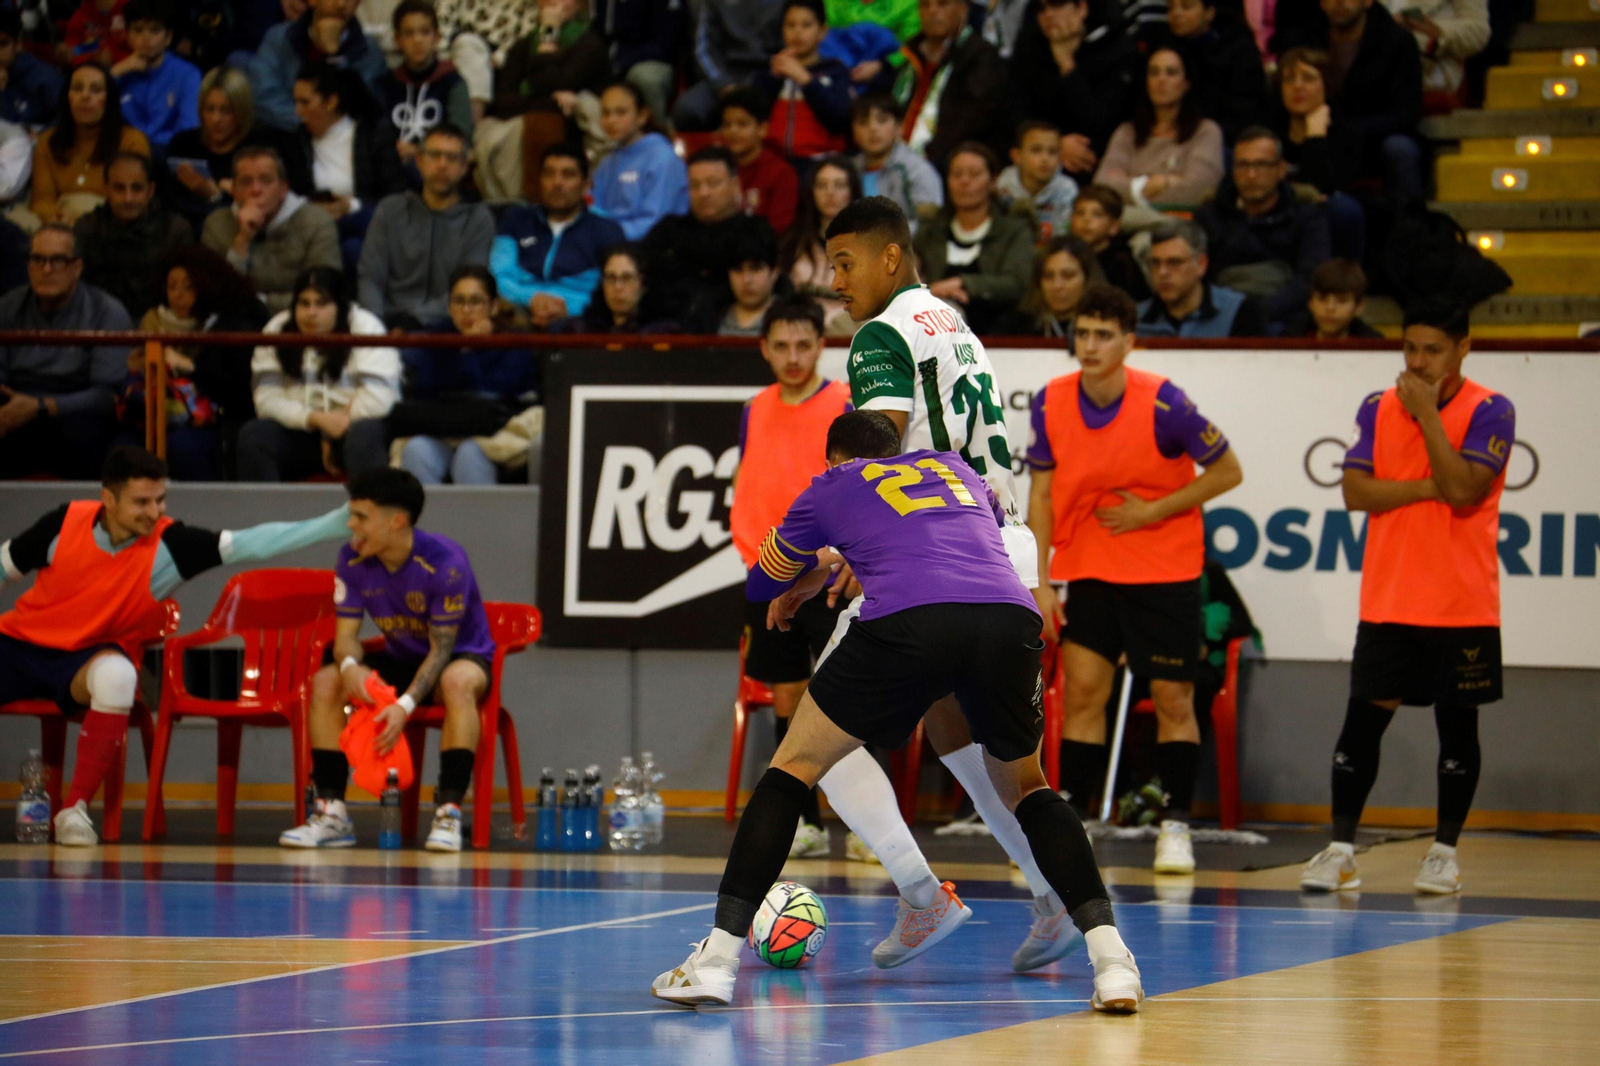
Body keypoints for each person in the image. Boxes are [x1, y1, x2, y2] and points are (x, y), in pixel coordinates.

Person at [650, 410, 1143, 1011]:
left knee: (792, 769)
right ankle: (1113, 960)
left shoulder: (832, 484)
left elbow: (763, 581)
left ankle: (717, 960)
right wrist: (842, 557)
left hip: (910, 620)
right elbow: (958, 534)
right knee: (1030, 789)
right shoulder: (955, 467)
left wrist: (812, 565)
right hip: (1008, 617)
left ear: (835, 457)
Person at [818, 196, 1083, 976]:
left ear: (890, 258)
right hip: (1000, 545)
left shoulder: (878, 335)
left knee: (819, 737)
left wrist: (842, 547)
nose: (835, 282)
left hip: (933, 548)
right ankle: (1052, 894)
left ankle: (919, 889)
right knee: (966, 735)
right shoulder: (950, 322)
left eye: (844, 262)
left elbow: (878, 448)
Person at [0, 445, 351, 845]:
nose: (154, 511)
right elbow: (3, 565)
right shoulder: (65, 521)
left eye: (160, 499)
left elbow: (254, 543)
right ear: (109, 499)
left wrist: (338, 522)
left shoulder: (172, 545)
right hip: (17, 645)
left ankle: (74, 809)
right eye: (141, 502)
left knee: (118, 676)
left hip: (85, 660)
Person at [1026, 284, 1244, 871]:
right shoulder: (1049, 401)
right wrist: (1040, 579)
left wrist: (1153, 510)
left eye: (1102, 334)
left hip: (1165, 569)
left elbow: (1228, 470)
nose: (1089, 345)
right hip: (1090, 569)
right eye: (1082, 332)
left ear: (1129, 342)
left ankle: (1175, 825)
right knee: (1084, 698)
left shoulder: (1164, 403)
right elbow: (1041, 493)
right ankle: (1073, 827)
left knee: (1174, 698)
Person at [1301, 299, 1513, 896]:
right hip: (1389, 598)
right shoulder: (1376, 406)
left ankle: (1443, 853)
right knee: (1361, 724)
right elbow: (1355, 492)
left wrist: (1427, 418)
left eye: (1433, 351)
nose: (1418, 363)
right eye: (1411, 348)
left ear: (1463, 348)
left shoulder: (1491, 410)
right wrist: (1426, 486)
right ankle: (1341, 849)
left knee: (1458, 727)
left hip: (1462, 601)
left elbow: (1466, 491)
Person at [280, 467, 495, 852]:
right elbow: (346, 637)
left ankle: (448, 812)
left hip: (459, 658)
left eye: (361, 517)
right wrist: (350, 667)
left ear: (396, 521)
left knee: (456, 681)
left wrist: (403, 705)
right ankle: (332, 814)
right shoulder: (352, 558)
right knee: (327, 681)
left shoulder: (446, 563)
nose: (350, 525)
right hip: (400, 658)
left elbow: (441, 651)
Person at [727, 295, 853, 857]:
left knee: (851, 697)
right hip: (770, 571)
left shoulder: (848, 403)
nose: (793, 356)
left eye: (804, 344)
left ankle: (867, 831)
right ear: (763, 349)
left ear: (821, 345)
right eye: (781, 345)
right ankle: (806, 824)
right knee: (787, 696)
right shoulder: (753, 407)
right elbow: (748, 481)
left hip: (831, 575)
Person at [118, 245, 269, 481]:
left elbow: (241, 394)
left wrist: (190, 366)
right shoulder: (154, 320)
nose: (177, 295)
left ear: (209, 285)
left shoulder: (238, 322)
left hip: (219, 420)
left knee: (180, 448)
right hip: (165, 411)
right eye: (171, 286)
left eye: (189, 287)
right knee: (122, 446)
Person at [237, 266, 400, 482]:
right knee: (254, 436)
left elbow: (381, 399)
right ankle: (265, 515)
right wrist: (316, 420)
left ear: (339, 306)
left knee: (364, 436)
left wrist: (335, 428)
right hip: (301, 429)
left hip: (352, 429)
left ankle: (372, 514)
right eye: (304, 303)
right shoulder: (277, 329)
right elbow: (266, 400)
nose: (311, 313)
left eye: (321, 304)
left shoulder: (366, 327)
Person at [1, 222, 129, 479]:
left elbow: (107, 396)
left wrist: (40, 406)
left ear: (77, 267)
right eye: (38, 259)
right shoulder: (7, 307)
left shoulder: (107, 311)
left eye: (57, 260)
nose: (46, 270)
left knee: (84, 430)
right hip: (15, 401)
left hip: (75, 409)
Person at [397, 266, 538, 485]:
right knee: (416, 450)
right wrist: (462, 348)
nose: (466, 310)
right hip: (447, 428)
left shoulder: (514, 342)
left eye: (475, 301)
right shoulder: (437, 338)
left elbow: (495, 395)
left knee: (470, 453)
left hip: (497, 432)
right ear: (449, 307)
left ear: (493, 307)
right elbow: (424, 390)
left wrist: (470, 350)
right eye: (458, 301)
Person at [1274, 0, 1425, 203]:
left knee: (1400, 149)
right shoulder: (1299, 38)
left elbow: (1406, 113)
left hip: (1374, 137)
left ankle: (1412, 226)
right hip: (1308, 128)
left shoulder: (1397, 40)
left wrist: (1344, 130)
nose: (1339, 1)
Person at [357, 124, 494, 330]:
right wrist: (374, 327)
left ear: (464, 167)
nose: (442, 164)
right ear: (419, 161)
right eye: (434, 155)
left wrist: (414, 322)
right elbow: (370, 278)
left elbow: (470, 287)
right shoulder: (390, 210)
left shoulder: (477, 219)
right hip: (386, 323)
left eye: (452, 158)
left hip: (447, 326)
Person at [1194, 127, 1332, 330]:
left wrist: (1256, 314)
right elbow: (1198, 276)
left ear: (1281, 169)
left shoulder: (1307, 217)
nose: (1251, 175)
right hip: (1221, 314)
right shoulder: (1209, 216)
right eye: (1242, 165)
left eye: (1261, 165)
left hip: (1283, 318)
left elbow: (1310, 279)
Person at [489, 143, 625, 330]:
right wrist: (533, 299)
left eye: (567, 175)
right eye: (549, 174)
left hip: (579, 320)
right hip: (517, 312)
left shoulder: (607, 230)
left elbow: (614, 291)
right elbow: (497, 276)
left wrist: (567, 308)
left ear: (586, 185)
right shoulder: (515, 220)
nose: (557, 183)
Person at [288, 61, 407, 273]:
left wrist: (350, 206)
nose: (298, 111)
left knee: (354, 245)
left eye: (305, 102)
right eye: (296, 102)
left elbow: (396, 200)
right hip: (314, 230)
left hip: (365, 230)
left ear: (331, 102)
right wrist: (313, 209)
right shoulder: (296, 143)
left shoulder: (374, 137)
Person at [640, 146, 778, 325]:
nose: (703, 193)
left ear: (735, 184)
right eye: (695, 185)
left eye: (713, 183)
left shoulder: (755, 231)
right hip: (663, 330)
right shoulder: (668, 230)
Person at [911, 142, 1035, 335]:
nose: (964, 181)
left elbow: (1016, 284)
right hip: (930, 328)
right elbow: (909, 276)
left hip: (999, 331)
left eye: (974, 174)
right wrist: (930, 292)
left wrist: (963, 284)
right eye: (957, 174)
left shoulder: (1014, 230)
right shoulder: (931, 229)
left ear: (993, 181)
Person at [201, 145, 341, 313]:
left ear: (283, 189)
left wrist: (259, 303)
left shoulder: (316, 222)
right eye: (246, 182)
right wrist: (242, 240)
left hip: (299, 321)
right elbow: (213, 295)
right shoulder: (216, 224)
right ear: (234, 190)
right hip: (237, 322)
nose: (256, 190)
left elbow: (324, 292)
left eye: (266, 180)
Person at [1012, 0, 1139, 183]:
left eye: (1056, 5)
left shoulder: (1118, 48)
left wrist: (1067, 66)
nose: (1048, 14)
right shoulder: (1030, 43)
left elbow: (1100, 122)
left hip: (1094, 160)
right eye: (1041, 8)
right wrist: (1054, 145)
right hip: (1039, 153)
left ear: (1082, 8)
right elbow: (1014, 108)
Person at [1093, 46, 1224, 210]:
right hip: (1127, 225)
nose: (1162, 79)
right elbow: (1101, 187)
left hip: (1182, 226)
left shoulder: (1206, 132)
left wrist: (1126, 186)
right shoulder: (1127, 132)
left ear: (1186, 83)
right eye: (1154, 72)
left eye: (1171, 72)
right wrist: (1147, 186)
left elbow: (1199, 191)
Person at [162, 67, 292, 233]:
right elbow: (169, 203)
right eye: (210, 109)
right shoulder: (182, 144)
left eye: (226, 110)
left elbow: (268, 204)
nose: (216, 119)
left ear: (241, 110)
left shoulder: (260, 148)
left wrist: (214, 196)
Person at [73, 152, 191, 320]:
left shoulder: (175, 231)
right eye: (119, 188)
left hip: (159, 326)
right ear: (106, 189)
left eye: (137, 188)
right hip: (98, 324)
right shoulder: (87, 229)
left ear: (150, 190)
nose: (128, 198)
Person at [891, 0, 1011, 168]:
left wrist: (931, 154)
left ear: (963, 9)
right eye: (925, 5)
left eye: (942, 4)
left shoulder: (981, 56)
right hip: (895, 157)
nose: (932, 12)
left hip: (948, 162)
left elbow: (973, 120)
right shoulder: (909, 54)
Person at [31, 61, 151, 226]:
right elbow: (42, 200)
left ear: (109, 99)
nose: (85, 96)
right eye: (77, 88)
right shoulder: (47, 141)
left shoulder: (132, 141)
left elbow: (131, 200)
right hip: (57, 224)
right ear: (67, 97)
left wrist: (79, 222)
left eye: (96, 90)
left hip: (109, 225)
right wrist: (57, 216)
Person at [249, 0, 389, 133]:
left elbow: (365, 109)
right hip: (287, 136)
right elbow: (263, 98)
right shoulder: (279, 38)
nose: (341, 4)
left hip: (344, 144)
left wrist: (333, 58)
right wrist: (312, 122)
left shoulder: (369, 50)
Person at [749, 0, 853, 161]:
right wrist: (773, 78)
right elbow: (754, 116)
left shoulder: (835, 71)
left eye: (806, 25)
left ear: (822, 31)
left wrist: (806, 80)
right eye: (790, 25)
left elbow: (838, 119)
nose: (797, 32)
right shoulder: (769, 73)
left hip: (822, 163)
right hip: (776, 163)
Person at [377, 0, 474, 170]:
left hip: (438, 170)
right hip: (393, 174)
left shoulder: (452, 82)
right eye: (409, 34)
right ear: (397, 40)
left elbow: (460, 136)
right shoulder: (386, 85)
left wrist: (418, 151)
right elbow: (378, 136)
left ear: (437, 37)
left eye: (425, 32)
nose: (418, 40)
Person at [1162, 0, 1272, 145]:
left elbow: (1244, 113)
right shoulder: (1162, 52)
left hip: (1224, 141)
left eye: (1186, 6)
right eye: (1170, 8)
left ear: (1209, 12)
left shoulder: (1238, 52)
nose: (1176, 13)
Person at [589, 81, 687, 242]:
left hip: (652, 247)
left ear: (642, 116)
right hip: (611, 244)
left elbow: (657, 222)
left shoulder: (663, 158)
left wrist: (608, 235)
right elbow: (596, 209)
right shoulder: (606, 163)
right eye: (606, 113)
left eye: (621, 113)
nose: (611, 120)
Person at [1136, 219, 1267, 337]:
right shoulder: (1134, 318)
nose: (1162, 272)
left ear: (1201, 264)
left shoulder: (1240, 312)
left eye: (1174, 262)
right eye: (1155, 263)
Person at [672, 0, 786, 132]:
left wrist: (772, 75)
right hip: (725, 74)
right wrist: (722, 84)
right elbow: (703, 49)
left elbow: (794, 44)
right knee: (686, 110)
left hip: (770, 75)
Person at [778, 155, 861, 335]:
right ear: (811, 192)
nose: (830, 192)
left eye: (839, 185)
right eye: (822, 185)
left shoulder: (871, 244)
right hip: (801, 334)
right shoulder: (792, 243)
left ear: (852, 191)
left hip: (852, 335)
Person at [110, 0, 200, 150]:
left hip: (167, 152)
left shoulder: (188, 75)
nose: (146, 38)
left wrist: (144, 144)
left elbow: (188, 131)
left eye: (155, 30)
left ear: (168, 37)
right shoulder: (119, 73)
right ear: (128, 36)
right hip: (124, 152)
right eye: (138, 30)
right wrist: (113, 74)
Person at [849, 93, 941, 233]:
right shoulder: (848, 170)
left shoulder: (917, 170)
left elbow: (930, 225)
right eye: (863, 122)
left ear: (899, 127)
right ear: (853, 131)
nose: (873, 128)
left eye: (882, 120)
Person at [992, 234, 1106, 339]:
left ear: (1088, 279)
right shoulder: (1015, 326)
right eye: (1048, 276)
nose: (1057, 285)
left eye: (1068, 276)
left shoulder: (1106, 325)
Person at [719, 89, 799, 236]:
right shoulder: (718, 170)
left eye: (742, 124)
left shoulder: (781, 174)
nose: (732, 131)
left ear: (762, 129)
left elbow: (780, 229)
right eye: (727, 125)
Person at [597, 0, 690, 125]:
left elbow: (667, 42)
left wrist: (621, 62)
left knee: (645, 78)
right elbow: (599, 33)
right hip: (611, 59)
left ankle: (659, 137)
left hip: (653, 60)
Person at [694, 225, 785, 336]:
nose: (746, 279)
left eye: (755, 268)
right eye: (738, 269)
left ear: (774, 272)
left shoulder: (791, 319)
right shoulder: (707, 319)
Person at [997, 120, 1080, 242]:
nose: (1045, 159)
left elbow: (1066, 236)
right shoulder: (1003, 185)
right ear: (1017, 156)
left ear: (1060, 157)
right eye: (1036, 150)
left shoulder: (1067, 190)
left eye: (1052, 152)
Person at [1069, 184, 1151, 301]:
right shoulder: (1066, 255)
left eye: (1097, 214)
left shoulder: (1122, 264)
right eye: (1080, 213)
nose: (1086, 220)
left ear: (1113, 226)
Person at [1282, 257, 1383, 338]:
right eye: (1322, 299)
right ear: (1310, 303)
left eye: (1342, 301)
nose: (1330, 308)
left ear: (1358, 307)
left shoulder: (1375, 349)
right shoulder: (1288, 342)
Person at [0, 9, 65, 130]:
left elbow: (67, 118)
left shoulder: (45, 77)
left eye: (3, 44)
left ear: (17, 44)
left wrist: (43, 134)